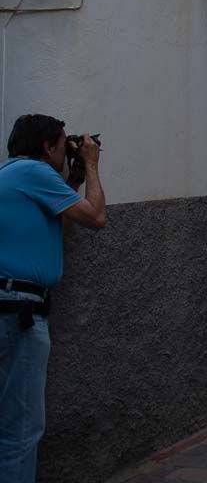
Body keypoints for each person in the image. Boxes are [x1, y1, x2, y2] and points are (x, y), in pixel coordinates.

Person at [1, 115, 106, 482]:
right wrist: (91, 166)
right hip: (19, 312)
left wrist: (72, 179)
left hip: (9, 305)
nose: (67, 153)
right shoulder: (35, 172)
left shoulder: (12, 173)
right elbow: (96, 217)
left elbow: (57, 229)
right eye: (63, 146)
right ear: (47, 148)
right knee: (20, 429)